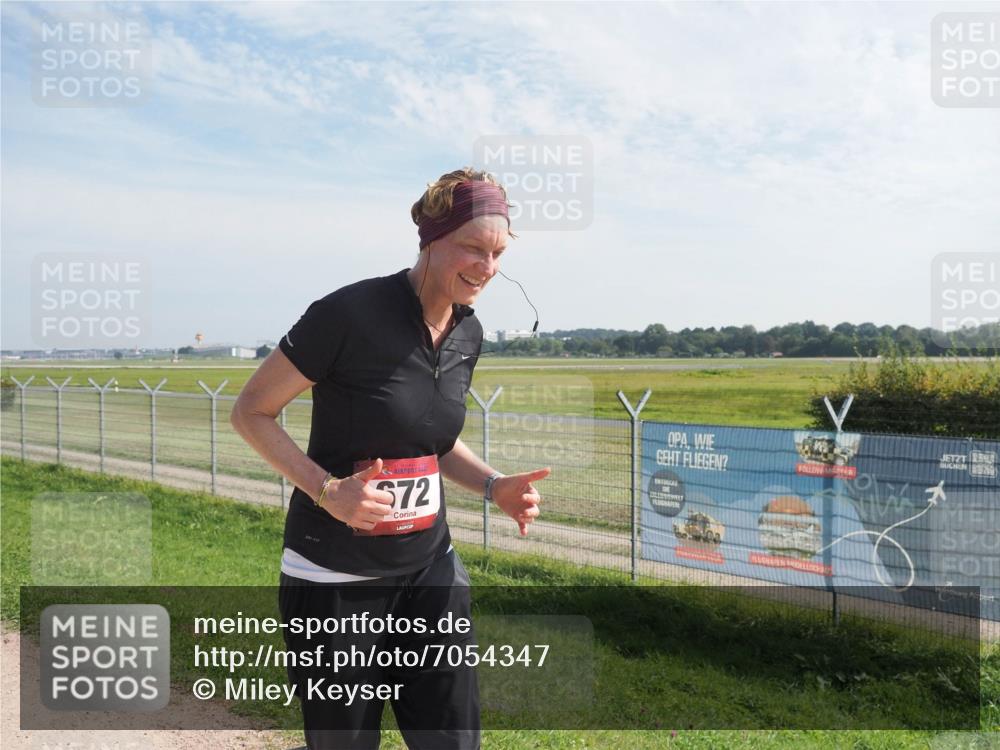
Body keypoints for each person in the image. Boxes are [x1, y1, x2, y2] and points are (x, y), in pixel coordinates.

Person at [230, 167, 551, 750]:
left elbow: (429, 438)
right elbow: (250, 411)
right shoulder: (347, 314)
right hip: (335, 580)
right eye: (473, 248)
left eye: (499, 253)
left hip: (431, 572)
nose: (488, 267)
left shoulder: (467, 331)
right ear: (430, 239)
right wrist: (330, 491)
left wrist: (493, 485)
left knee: (453, 740)